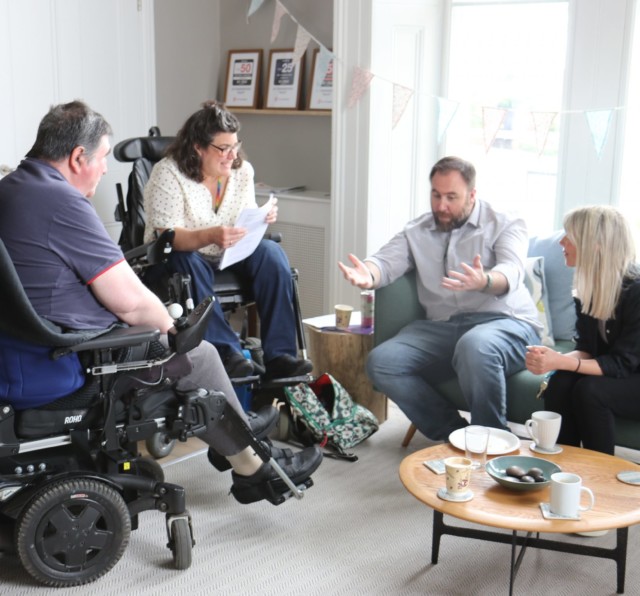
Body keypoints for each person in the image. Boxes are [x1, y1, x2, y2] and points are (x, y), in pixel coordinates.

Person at [0, 100, 322, 505]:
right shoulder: (61, 203)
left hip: (24, 354)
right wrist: (173, 335)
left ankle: (244, 443)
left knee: (189, 349)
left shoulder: (12, 188)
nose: (103, 168)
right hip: (66, 361)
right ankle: (255, 469)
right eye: (101, 158)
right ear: (78, 156)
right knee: (198, 355)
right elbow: (133, 304)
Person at [338, 156, 541, 440]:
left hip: (507, 323)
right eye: (435, 195)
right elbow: (384, 263)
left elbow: (512, 271)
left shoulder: (505, 223)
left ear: (472, 195)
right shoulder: (417, 230)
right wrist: (367, 274)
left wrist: (484, 280)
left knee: (476, 345)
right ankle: (454, 436)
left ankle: (492, 442)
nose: (441, 206)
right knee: (382, 361)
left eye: (451, 197)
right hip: (444, 327)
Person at [143, 100, 312, 380]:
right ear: (197, 147)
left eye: (235, 146)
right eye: (223, 148)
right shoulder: (168, 173)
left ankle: (280, 356)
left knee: (271, 254)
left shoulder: (242, 171)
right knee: (187, 260)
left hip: (226, 254)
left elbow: (242, 220)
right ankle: (227, 353)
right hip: (174, 258)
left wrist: (261, 218)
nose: (232, 156)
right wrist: (209, 235)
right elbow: (167, 238)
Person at [525, 206, 640, 455]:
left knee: (591, 392)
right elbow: (587, 350)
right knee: (560, 382)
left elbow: (621, 364)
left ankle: (601, 478)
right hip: (619, 370)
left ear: (595, 244)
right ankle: (564, 470)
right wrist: (553, 360)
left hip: (634, 375)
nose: (561, 242)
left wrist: (562, 361)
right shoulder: (588, 287)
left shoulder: (637, 291)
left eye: (570, 235)